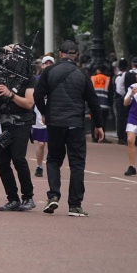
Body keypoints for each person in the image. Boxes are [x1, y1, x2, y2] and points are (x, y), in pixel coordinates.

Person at [35, 40, 104, 217]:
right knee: (77, 164)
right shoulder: (82, 73)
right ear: (76, 55)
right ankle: (75, 205)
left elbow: (38, 94)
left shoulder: (49, 71)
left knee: (53, 160)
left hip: (55, 122)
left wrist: (45, 112)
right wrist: (99, 125)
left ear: (60, 54)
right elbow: (93, 102)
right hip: (75, 124)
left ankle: (53, 195)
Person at [0, 48, 37, 212]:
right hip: (0, 124)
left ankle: (28, 197)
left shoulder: (29, 79)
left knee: (18, 159)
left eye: (10, 54)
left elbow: (30, 103)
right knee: (1, 161)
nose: (6, 57)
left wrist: (10, 95)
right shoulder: (0, 76)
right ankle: (13, 198)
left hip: (21, 124)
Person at [32, 56, 54, 177]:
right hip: (39, 115)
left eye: (51, 63)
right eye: (46, 63)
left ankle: (52, 167)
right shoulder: (36, 80)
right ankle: (39, 165)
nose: (48, 65)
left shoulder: (57, 80)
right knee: (40, 144)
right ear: (42, 65)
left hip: (54, 114)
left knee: (53, 143)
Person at [90, 65, 111, 142]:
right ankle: (102, 137)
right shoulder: (107, 79)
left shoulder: (92, 78)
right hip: (104, 103)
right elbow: (110, 92)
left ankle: (94, 137)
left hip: (94, 103)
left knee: (93, 120)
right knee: (103, 121)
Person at [113, 58, 130, 145]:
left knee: (121, 118)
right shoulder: (122, 76)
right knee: (122, 118)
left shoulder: (117, 76)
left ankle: (122, 136)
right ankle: (122, 137)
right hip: (121, 98)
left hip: (119, 99)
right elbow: (120, 90)